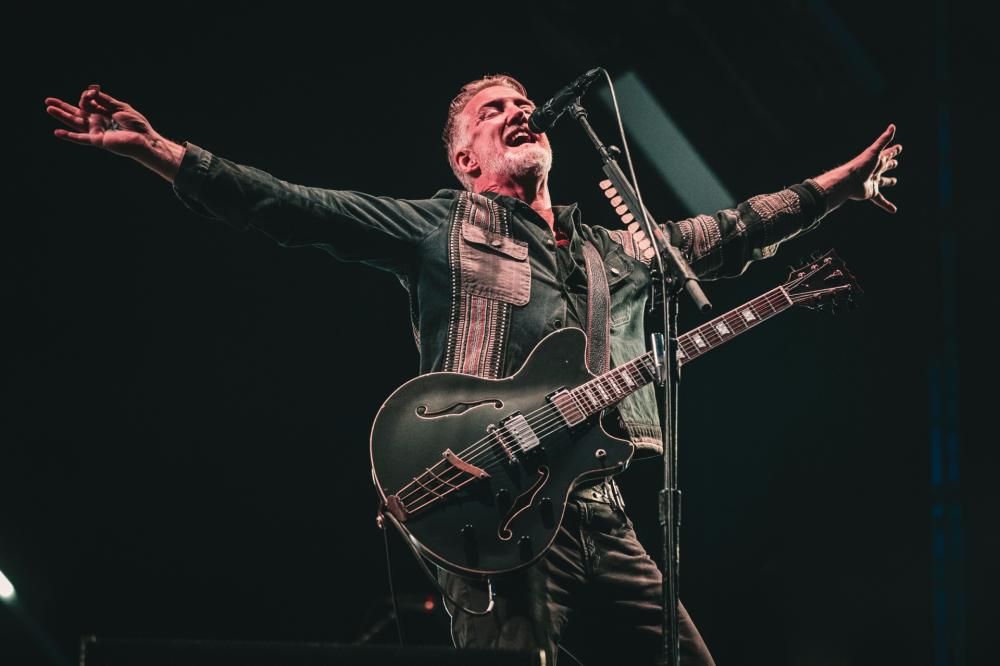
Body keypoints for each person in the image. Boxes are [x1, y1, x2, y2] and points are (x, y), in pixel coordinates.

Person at [45, 74, 900, 665]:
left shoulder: (614, 251)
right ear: (465, 160)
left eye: (525, 103)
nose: (520, 112)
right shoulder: (441, 227)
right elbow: (295, 207)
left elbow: (738, 228)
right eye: (496, 110)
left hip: (600, 512)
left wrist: (841, 187)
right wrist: (165, 153)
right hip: (490, 500)